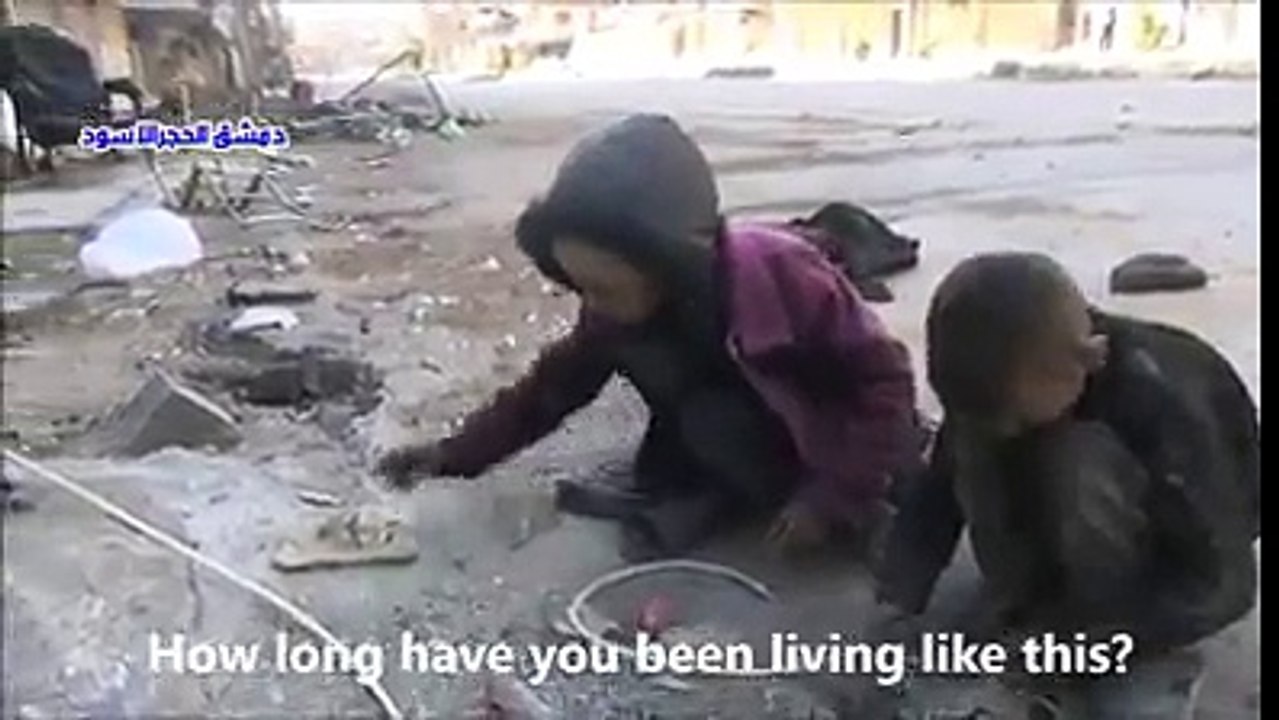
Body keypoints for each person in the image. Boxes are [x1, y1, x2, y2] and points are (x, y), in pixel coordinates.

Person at [376, 114, 919, 557]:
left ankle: (809, 501)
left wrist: (837, 495)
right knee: (704, 417)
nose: (592, 303)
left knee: (733, 430)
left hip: (827, 430)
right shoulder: (613, 313)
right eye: (581, 286)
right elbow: (547, 392)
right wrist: (450, 455)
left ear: (668, 264)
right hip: (726, 424)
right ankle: (727, 489)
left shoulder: (787, 274)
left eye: (606, 287)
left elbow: (885, 380)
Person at [875, 253, 1259, 715]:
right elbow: (939, 485)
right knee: (976, 438)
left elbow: (1224, 584)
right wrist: (902, 586)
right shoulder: (1000, 386)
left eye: (1013, 417)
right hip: (1062, 547)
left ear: (1087, 361)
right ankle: (1023, 594)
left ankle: (1102, 625)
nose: (1000, 430)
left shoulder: (1159, 396)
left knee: (1077, 457)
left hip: (1160, 567)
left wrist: (1083, 641)